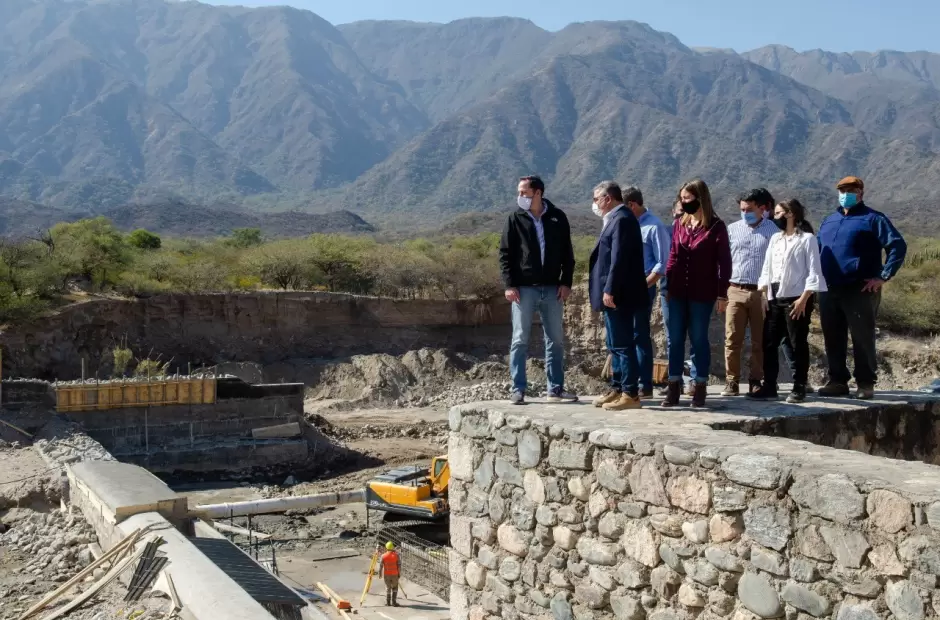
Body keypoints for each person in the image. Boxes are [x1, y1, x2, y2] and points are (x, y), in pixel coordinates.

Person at [816, 176, 907, 400]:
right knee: (832, 336)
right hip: (828, 287)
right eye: (842, 190)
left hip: (860, 288)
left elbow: (897, 245)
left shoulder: (873, 219)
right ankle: (837, 381)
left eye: (850, 189)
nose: (845, 193)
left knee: (862, 336)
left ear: (861, 192)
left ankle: (865, 383)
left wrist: (883, 276)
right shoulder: (829, 220)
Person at [499, 175, 578, 405]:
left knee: (555, 339)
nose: (520, 197)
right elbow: (505, 254)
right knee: (520, 339)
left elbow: (568, 254)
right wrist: (509, 285)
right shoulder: (515, 219)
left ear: (538, 193)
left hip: (553, 288)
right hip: (523, 290)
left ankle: (555, 389)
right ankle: (518, 389)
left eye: (524, 192)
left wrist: (567, 283)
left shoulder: (557, 217)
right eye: (519, 192)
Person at [661, 179, 732, 408]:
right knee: (675, 340)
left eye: (688, 199)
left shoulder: (716, 226)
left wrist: (722, 294)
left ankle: (699, 385)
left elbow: (725, 264)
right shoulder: (679, 223)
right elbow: (672, 255)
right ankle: (673, 387)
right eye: (681, 198)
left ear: (701, 199)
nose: (684, 202)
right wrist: (668, 285)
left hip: (703, 293)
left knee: (699, 339)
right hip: (677, 292)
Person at [752, 199, 827, 402]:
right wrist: (764, 295)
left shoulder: (807, 239)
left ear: (790, 214)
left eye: (777, 213)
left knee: (796, 342)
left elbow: (814, 271)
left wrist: (804, 298)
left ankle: (799, 385)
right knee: (770, 341)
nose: (774, 217)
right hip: (775, 295)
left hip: (797, 296)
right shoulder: (775, 238)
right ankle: (769, 385)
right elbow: (767, 268)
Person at [590, 181, 649, 410]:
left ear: (608, 198)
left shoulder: (622, 219)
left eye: (596, 199)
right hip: (614, 293)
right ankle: (617, 388)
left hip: (620, 294)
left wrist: (610, 289)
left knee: (623, 344)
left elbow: (619, 258)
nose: (594, 204)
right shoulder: (614, 218)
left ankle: (630, 393)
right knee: (613, 344)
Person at [722, 188, 779, 397]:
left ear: (762, 208)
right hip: (735, 288)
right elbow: (724, 259)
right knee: (732, 338)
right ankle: (731, 381)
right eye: (742, 209)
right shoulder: (732, 229)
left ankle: (756, 380)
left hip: (761, 292)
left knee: (759, 341)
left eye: (749, 209)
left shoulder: (773, 231)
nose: (745, 212)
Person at [623, 186, 670, 397]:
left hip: (642, 289)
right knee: (623, 337)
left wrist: (643, 285)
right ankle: (627, 383)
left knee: (639, 334)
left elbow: (662, 263)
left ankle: (645, 384)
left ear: (632, 205)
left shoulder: (654, 226)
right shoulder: (624, 224)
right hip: (622, 289)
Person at [379, 541, 401, 607]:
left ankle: (388, 602)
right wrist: (399, 574)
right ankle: (394, 602)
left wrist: (380, 574)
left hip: (387, 575)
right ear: (392, 548)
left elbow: (381, 566)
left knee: (388, 588)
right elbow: (399, 566)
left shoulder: (383, 556)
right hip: (395, 574)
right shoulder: (396, 555)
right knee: (395, 588)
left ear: (386, 548)